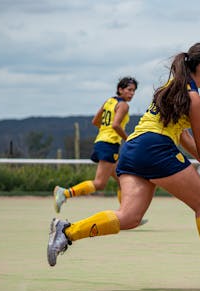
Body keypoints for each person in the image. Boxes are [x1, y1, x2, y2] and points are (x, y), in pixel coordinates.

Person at [47, 43, 200, 288]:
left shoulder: (171, 88)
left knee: (129, 217)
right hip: (156, 148)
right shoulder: (194, 99)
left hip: (133, 148)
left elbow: (183, 137)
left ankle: (67, 232)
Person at [53, 77, 139, 214]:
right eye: (129, 90)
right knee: (99, 183)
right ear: (120, 89)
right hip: (109, 144)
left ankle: (126, 214)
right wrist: (129, 139)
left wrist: (106, 131)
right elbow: (116, 125)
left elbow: (95, 121)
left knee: (122, 179)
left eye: (134, 90)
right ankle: (65, 193)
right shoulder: (123, 105)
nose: (132, 93)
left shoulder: (109, 101)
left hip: (101, 141)